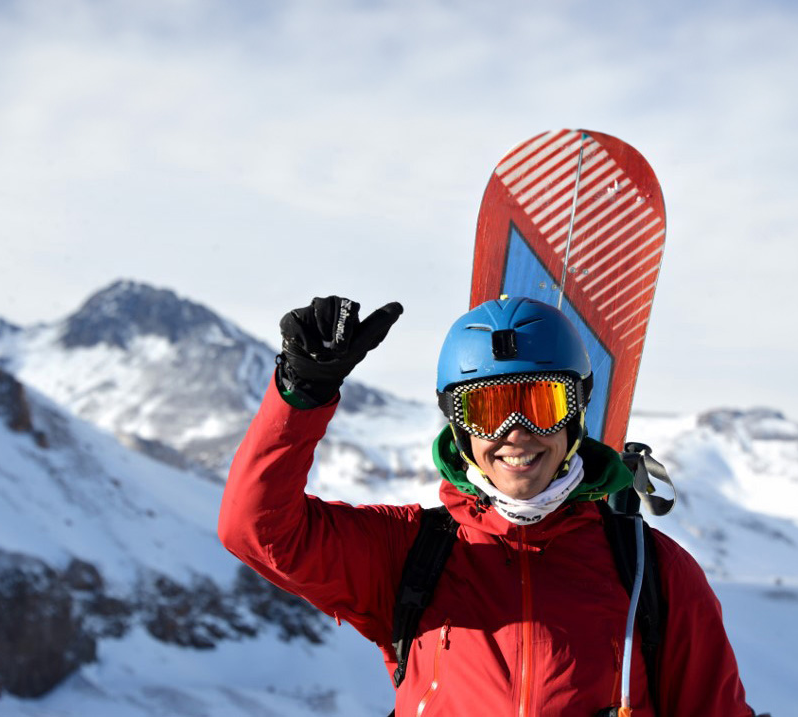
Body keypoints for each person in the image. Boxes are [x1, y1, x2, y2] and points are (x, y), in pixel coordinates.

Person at [218, 294, 756, 716]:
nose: (515, 434)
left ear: (577, 412)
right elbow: (256, 529)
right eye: (488, 407)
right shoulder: (411, 552)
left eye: (541, 403)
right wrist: (302, 394)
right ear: (457, 424)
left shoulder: (652, 572)